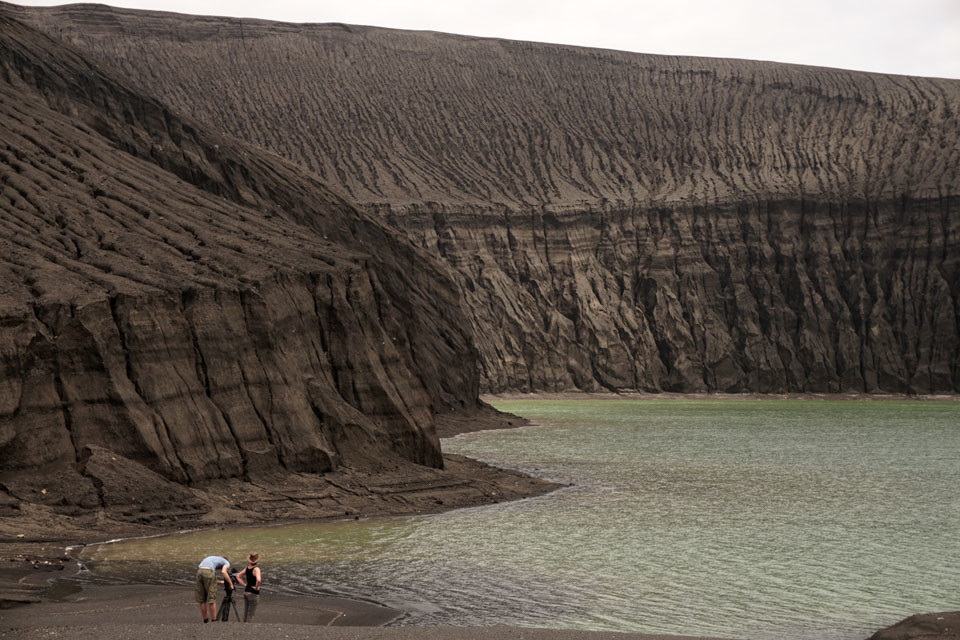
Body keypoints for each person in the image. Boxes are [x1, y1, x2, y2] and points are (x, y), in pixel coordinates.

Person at [196, 555, 232, 622]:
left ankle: (205, 620)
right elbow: (224, 572)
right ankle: (214, 620)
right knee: (212, 598)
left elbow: (207, 577)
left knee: (202, 599)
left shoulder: (212, 558)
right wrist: (230, 583)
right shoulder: (226, 562)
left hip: (199, 571)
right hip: (208, 571)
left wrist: (220, 581)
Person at [235, 552, 262, 622]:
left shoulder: (247, 568)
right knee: (251, 613)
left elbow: (238, 576)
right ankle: (248, 628)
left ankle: (244, 626)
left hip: (246, 591)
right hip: (253, 593)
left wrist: (244, 584)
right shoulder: (256, 569)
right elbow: (259, 580)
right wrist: (256, 587)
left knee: (246, 612)